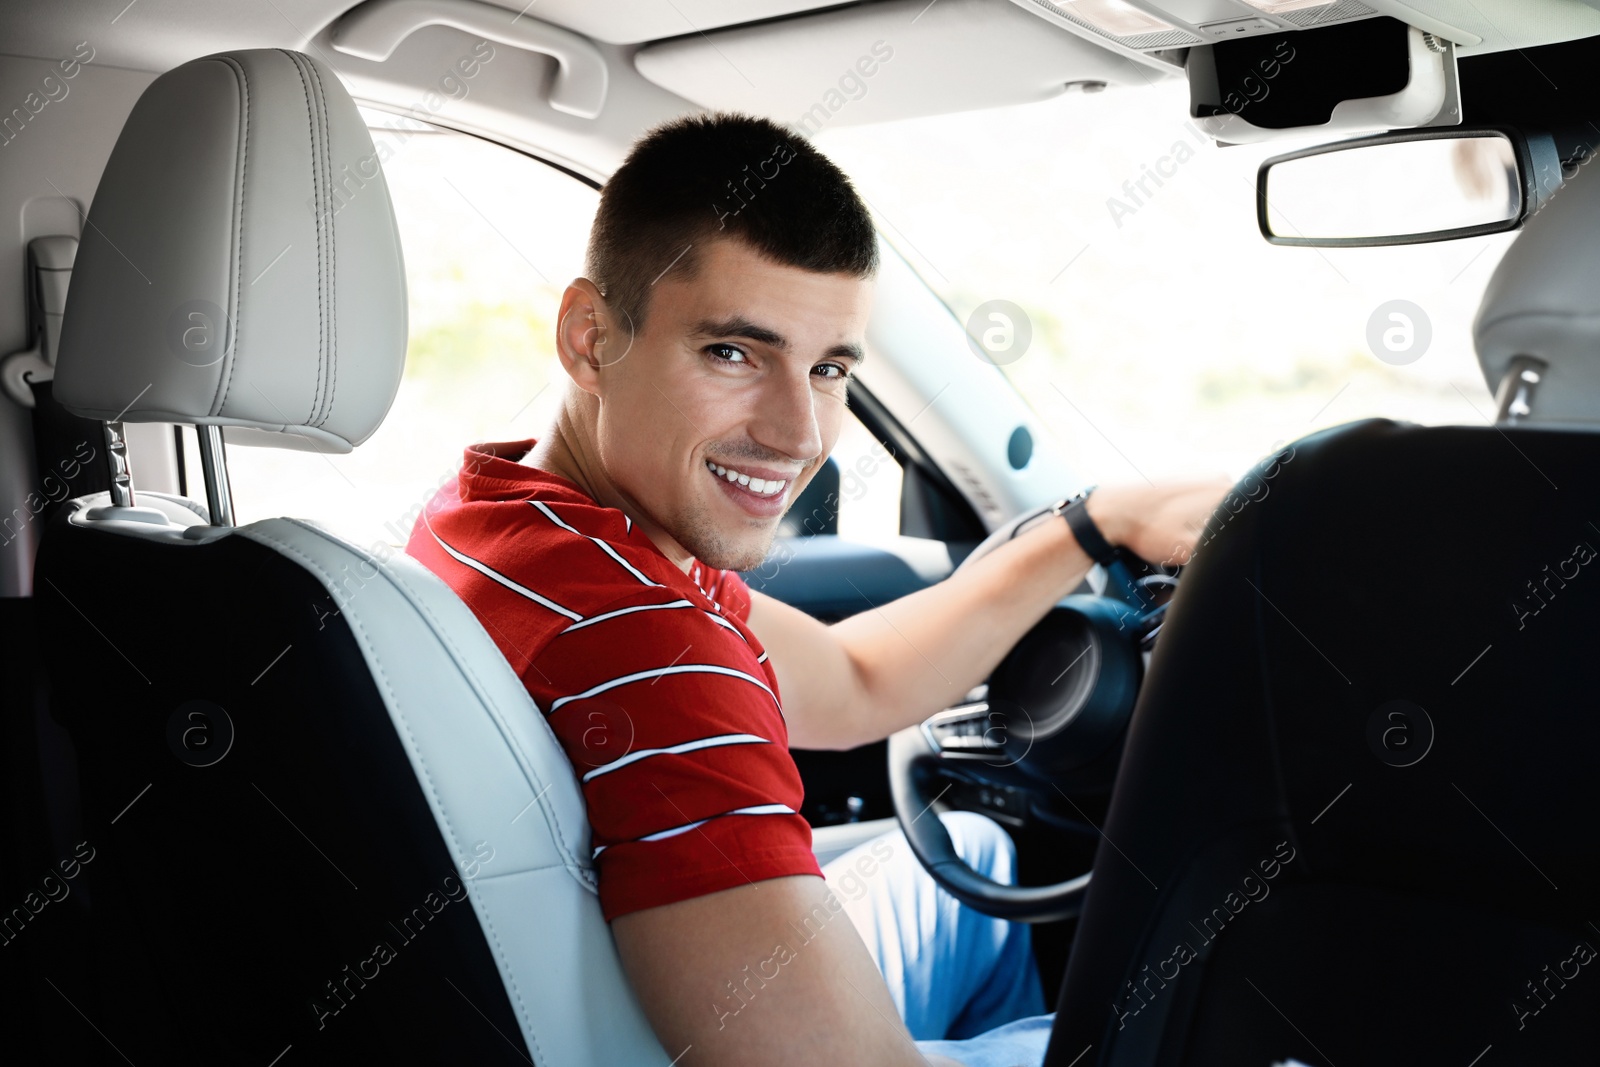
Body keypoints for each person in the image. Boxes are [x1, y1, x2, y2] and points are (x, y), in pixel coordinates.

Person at [405, 113, 1226, 1067]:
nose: (798, 433)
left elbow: (854, 679)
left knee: (980, 856)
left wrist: (1095, 520)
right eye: (733, 353)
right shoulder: (647, 650)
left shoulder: (505, 516)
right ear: (590, 337)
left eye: (829, 368)